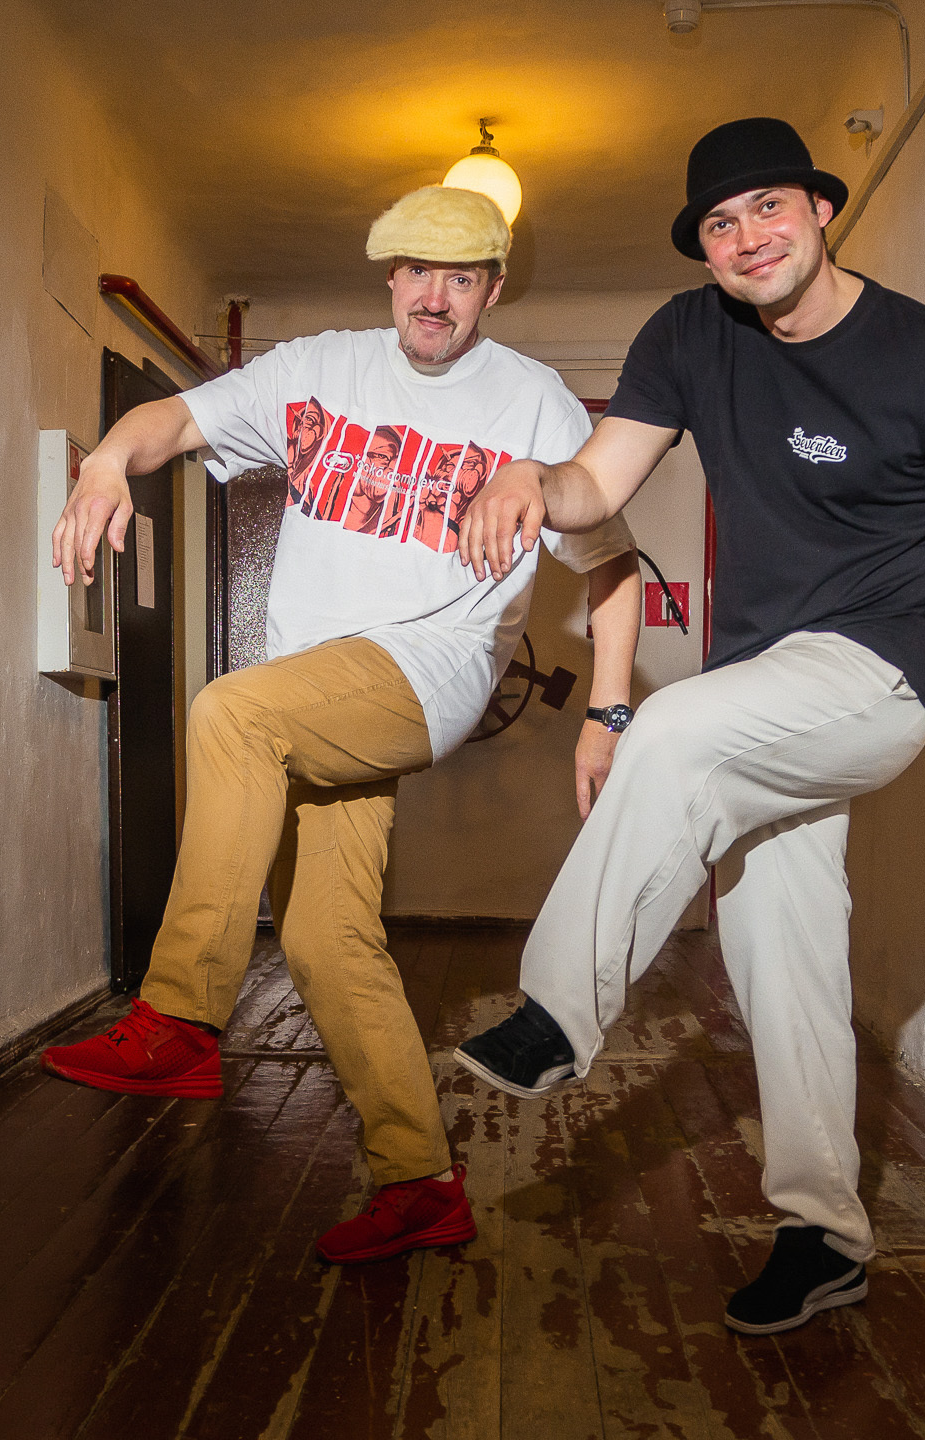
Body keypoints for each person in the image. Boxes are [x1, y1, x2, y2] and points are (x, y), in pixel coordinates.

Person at [452, 118, 925, 1333]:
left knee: (670, 732)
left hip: (876, 678)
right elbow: (595, 485)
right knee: (785, 953)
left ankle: (559, 1009)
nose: (746, 238)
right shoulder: (689, 334)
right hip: (766, 695)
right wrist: (531, 480)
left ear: (821, 209)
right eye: (720, 224)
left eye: (768, 207)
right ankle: (825, 1236)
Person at [45, 184, 641, 1264]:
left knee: (232, 712)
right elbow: (172, 419)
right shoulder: (318, 368)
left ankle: (179, 1018)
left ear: (492, 290)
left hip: (432, 668)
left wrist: (606, 713)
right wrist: (102, 461)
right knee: (327, 937)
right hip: (317, 691)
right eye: (418, 273)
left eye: (462, 279)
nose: (435, 298)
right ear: (390, 277)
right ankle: (422, 1182)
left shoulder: (535, 403)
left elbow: (613, 567)